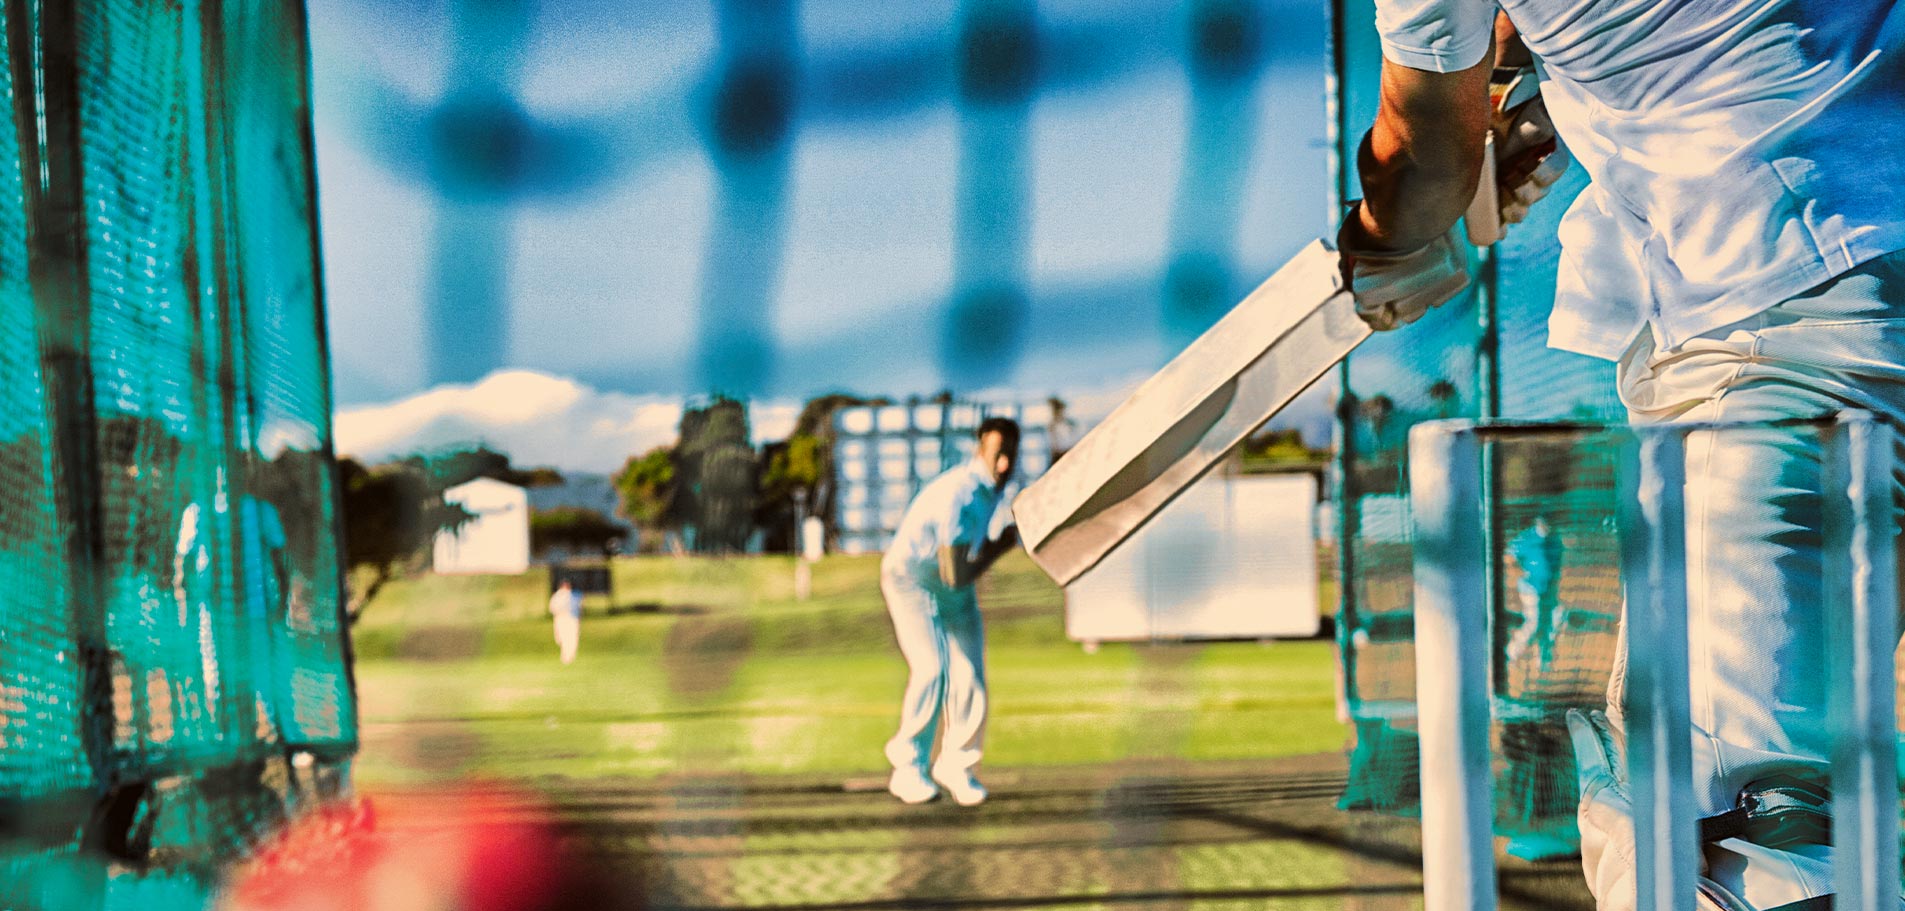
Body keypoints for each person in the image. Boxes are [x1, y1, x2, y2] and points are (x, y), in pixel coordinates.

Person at [1339, 0, 1904, 907]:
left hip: (1775, 331)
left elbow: (1420, 157)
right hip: (1843, 308)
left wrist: (1378, 237)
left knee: (1735, 827)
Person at [878, 417, 1022, 806]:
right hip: (912, 579)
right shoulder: (959, 493)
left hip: (949, 582)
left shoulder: (994, 489)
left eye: (1011, 453)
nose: (1006, 464)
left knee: (970, 674)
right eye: (998, 454)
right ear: (980, 449)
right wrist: (1001, 546)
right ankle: (907, 768)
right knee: (931, 668)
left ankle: (956, 765)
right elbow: (956, 574)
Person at [1505, 515, 1563, 670]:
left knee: (1554, 620)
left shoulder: (1555, 540)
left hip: (1548, 588)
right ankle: (1511, 653)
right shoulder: (1528, 537)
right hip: (1530, 588)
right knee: (1534, 623)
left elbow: (1556, 566)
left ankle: (1544, 662)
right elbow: (1509, 554)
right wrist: (1520, 571)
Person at [548, 579, 582, 665]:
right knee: (563, 638)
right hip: (562, 618)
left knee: (571, 637)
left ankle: (569, 656)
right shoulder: (557, 596)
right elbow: (553, 608)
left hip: (571, 618)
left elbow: (577, 608)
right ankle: (566, 655)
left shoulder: (573, 596)